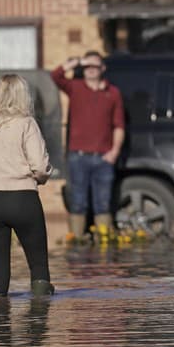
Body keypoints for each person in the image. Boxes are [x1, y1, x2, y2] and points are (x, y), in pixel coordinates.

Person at [0, 74, 54, 298]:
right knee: (39, 269)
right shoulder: (26, 122)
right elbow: (41, 167)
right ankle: (38, 325)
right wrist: (41, 179)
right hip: (22, 198)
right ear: (23, 95)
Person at [51, 51, 125, 239]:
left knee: (103, 203)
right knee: (78, 202)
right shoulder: (75, 87)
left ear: (103, 68)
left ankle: (103, 241)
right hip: (78, 156)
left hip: (103, 158)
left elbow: (119, 125)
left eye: (95, 66)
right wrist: (76, 62)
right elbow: (55, 76)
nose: (90, 70)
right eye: (87, 67)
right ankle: (76, 241)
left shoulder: (113, 93)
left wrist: (114, 152)